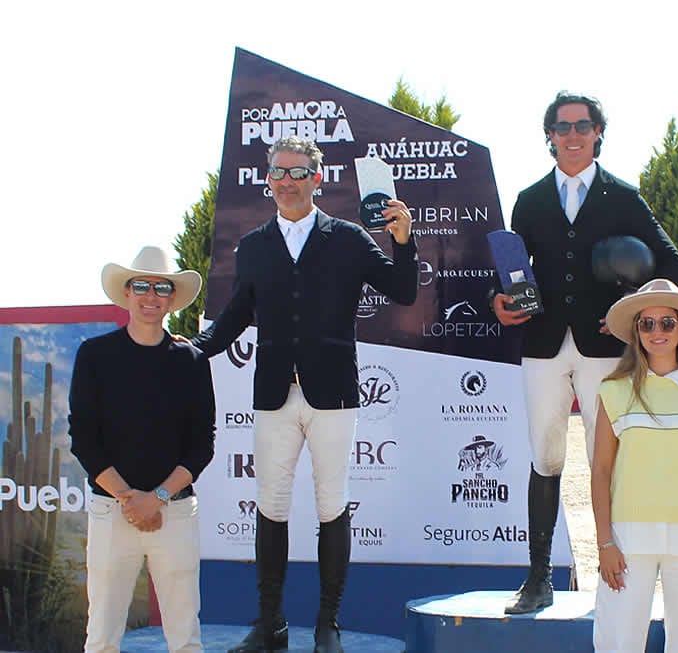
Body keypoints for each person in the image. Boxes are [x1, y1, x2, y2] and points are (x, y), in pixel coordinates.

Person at [192, 136, 419, 653]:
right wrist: (194, 348)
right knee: (270, 506)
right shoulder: (252, 247)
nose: (287, 181)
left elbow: (402, 291)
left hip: (334, 393)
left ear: (318, 178)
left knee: (330, 504)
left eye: (298, 172)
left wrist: (404, 243)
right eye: (279, 172)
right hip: (274, 393)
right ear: (267, 180)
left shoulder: (349, 238)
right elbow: (233, 317)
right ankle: (269, 625)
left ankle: (326, 627)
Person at [492, 92, 678, 614]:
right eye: (562, 126)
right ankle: (538, 578)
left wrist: (635, 307)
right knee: (545, 455)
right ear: (549, 134)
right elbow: (515, 270)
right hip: (543, 344)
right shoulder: (530, 199)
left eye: (582, 125)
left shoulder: (623, 195)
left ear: (598, 131)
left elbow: (670, 262)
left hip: (604, 347)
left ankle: (616, 580)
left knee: (610, 457)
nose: (572, 135)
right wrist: (500, 298)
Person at [69, 246, 215, 652]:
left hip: (176, 511)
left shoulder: (191, 360)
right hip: (111, 510)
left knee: (185, 637)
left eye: (161, 287)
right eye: (142, 286)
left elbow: (202, 444)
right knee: (101, 636)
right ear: (128, 292)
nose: (150, 296)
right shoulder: (94, 356)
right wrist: (130, 500)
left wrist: (159, 498)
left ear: (171, 297)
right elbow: (83, 437)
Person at [591, 278, 678, 652]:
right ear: (636, 332)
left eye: (667, 322)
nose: (657, 331)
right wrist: (605, 543)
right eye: (646, 323)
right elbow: (601, 471)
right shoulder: (613, 389)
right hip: (627, 537)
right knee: (619, 641)